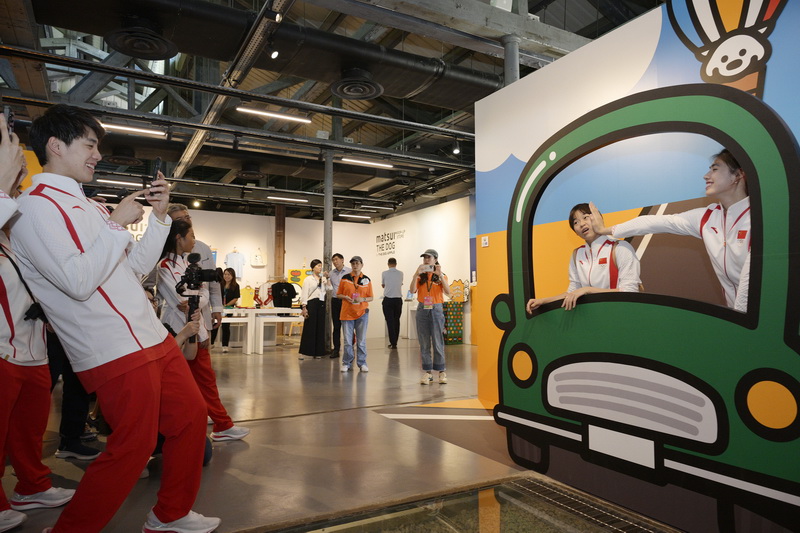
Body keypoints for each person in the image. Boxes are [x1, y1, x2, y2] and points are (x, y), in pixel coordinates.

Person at [10, 104, 219, 533]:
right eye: (89, 145)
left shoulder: (88, 206)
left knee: (190, 418)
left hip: (150, 337)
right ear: (56, 146)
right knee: (132, 446)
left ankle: (171, 514)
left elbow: (133, 269)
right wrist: (115, 225)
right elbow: (77, 281)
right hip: (110, 347)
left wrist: (157, 219)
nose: (97, 155)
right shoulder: (33, 209)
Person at [0, 112, 75, 533]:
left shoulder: (14, 226)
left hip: (32, 347)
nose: (20, 173)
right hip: (2, 347)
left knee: (28, 428)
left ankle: (32, 485)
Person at [589, 148, 749, 312]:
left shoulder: (757, 219)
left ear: (738, 175)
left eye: (714, 169)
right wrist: (605, 230)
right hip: (739, 318)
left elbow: (750, 281)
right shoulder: (707, 217)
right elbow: (654, 222)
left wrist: (742, 320)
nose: (706, 175)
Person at [158, 222, 249, 443]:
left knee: (204, 380)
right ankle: (219, 424)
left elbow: (202, 294)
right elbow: (181, 299)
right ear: (179, 238)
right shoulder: (164, 266)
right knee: (188, 383)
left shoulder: (190, 262)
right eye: (191, 235)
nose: (194, 240)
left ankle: (219, 423)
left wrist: (196, 300)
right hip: (178, 331)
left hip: (197, 329)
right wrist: (195, 298)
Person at [525, 203, 642, 313]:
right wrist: (543, 301)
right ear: (575, 232)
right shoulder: (577, 254)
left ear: (598, 218)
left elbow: (630, 292)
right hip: (590, 318)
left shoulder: (620, 248)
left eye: (585, 217)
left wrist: (588, 290)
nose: (581, 224)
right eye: (576, 222)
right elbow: (572, 292)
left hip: (619, 314)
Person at [167, 203, 224, 347]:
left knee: (203, 354)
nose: (185, 221)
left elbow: (213, 281)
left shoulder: (203, 248)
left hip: (202, 314)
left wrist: (217, 308)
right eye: (179, 219)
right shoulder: (164, 254)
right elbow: (153, 284)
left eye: (187, 217)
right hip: (175, 319)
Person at [410, 249, 450, 385]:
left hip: (436, 308)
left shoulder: (441, 275)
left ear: (435, 259)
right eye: (425, 258)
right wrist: (416, 274)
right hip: (422, 308)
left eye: (429, 257)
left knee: (438, 340)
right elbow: (412, 290)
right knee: (424, 342)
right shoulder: (420, 276)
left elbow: (448, 291)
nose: (426, 260)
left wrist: (440, 276)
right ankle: (428, 372)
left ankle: (441, 371)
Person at [337, 256, 373, 372]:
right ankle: (346, 363)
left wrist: (362, 299)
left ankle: (362, 363)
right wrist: (345, 297)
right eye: (353, 264)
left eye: (357, 263)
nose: (355, 265)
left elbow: (371, 297)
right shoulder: (345, 278)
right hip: (347, 313)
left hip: (362, 313)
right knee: (348, 341)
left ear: (362, 265)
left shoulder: (366, 280)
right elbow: (338, 294)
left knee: (361, 341)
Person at [298, 259, 332, 360]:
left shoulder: (323, 279)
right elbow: (304, 293)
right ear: (313, 267)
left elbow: (330, 288)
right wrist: (304, 307)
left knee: (320, 327)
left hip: (321, 303)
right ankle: (304, 352)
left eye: (321, 265)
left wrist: (328, 278)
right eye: (318, 265)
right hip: (311, 303)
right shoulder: (308, 279)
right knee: (310, 327)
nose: (320, 267)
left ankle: (318, 352)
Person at [328, 253, 351, 358]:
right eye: (333, 260)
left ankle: (349, 349)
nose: (335, 262)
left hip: (346, 301)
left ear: (342, 260)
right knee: (336, 326)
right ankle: (336, 349)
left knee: (348, 326)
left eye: (336, 259)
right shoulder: (331, 273)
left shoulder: (349, 271)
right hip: (335, 301)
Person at [381, 257, 404, 349]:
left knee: (389, 321)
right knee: (396, 320)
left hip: (388, 299)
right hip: (398, 300)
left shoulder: (384, 273)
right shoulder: (401, 273)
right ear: (396, 264)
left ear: (388, 264)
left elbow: (383, 285)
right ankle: (395, 342)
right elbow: (400, 283)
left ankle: (392, 342)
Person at [219, 268, 240, 353]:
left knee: (226, 326)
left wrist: (227, 305)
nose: (226, 276)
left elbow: (235, 298)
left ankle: (225, 345)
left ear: (232, 276)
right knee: (215, 324)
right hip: (219, 308)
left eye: (229, 274)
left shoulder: (236, 286)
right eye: (225, 274)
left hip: (229, 309)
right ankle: (211, 343)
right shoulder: (220, 284)